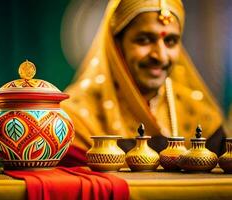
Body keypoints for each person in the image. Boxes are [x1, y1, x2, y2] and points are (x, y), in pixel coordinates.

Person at [60, 0, 226, 166]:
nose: (160, 56)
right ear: (116, 45)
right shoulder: (74, 119)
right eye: (144, 40)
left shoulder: (201, 117)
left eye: (170, 41)